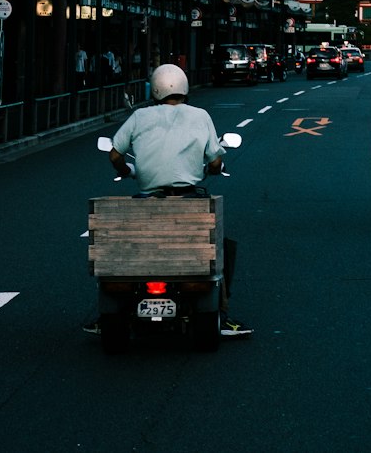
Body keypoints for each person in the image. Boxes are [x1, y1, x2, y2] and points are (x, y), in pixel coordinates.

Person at [85, 63, 251, 338]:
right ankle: (223, 313)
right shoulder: (200, 116)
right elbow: (216, 159)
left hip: (147, 197)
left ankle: (107, 318)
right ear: (184, 88)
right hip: (187, 197)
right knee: (219, 245)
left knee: (125, 242)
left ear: (156, 90)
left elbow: (115, 153)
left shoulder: (139, 116)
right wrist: (212, 168)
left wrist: (125, 171)